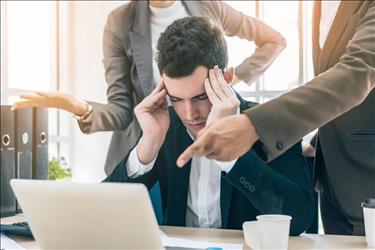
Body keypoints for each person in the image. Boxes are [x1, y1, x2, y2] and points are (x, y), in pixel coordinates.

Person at [11, 0, 286, 175]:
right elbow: (122, 110)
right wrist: (79, 108)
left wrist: (228, 80)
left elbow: (274, 40)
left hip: (204, 136)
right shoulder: (121, 21)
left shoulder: (208, 6)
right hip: (149, 148)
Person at [178, 1, 375, 235]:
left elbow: (356, 73)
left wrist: (254, 125)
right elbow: (335, 81)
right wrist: (317, 141)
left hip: (367, 179)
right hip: (335, 183)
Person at [105, 16, 314, 235]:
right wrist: (145, 149)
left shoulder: (272, 124)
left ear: (228, 78)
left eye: (200, 96)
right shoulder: (164, 127)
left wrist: (231, 156)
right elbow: (101, 209)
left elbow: (300, 220)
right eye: (176, 99)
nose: (189, 114)